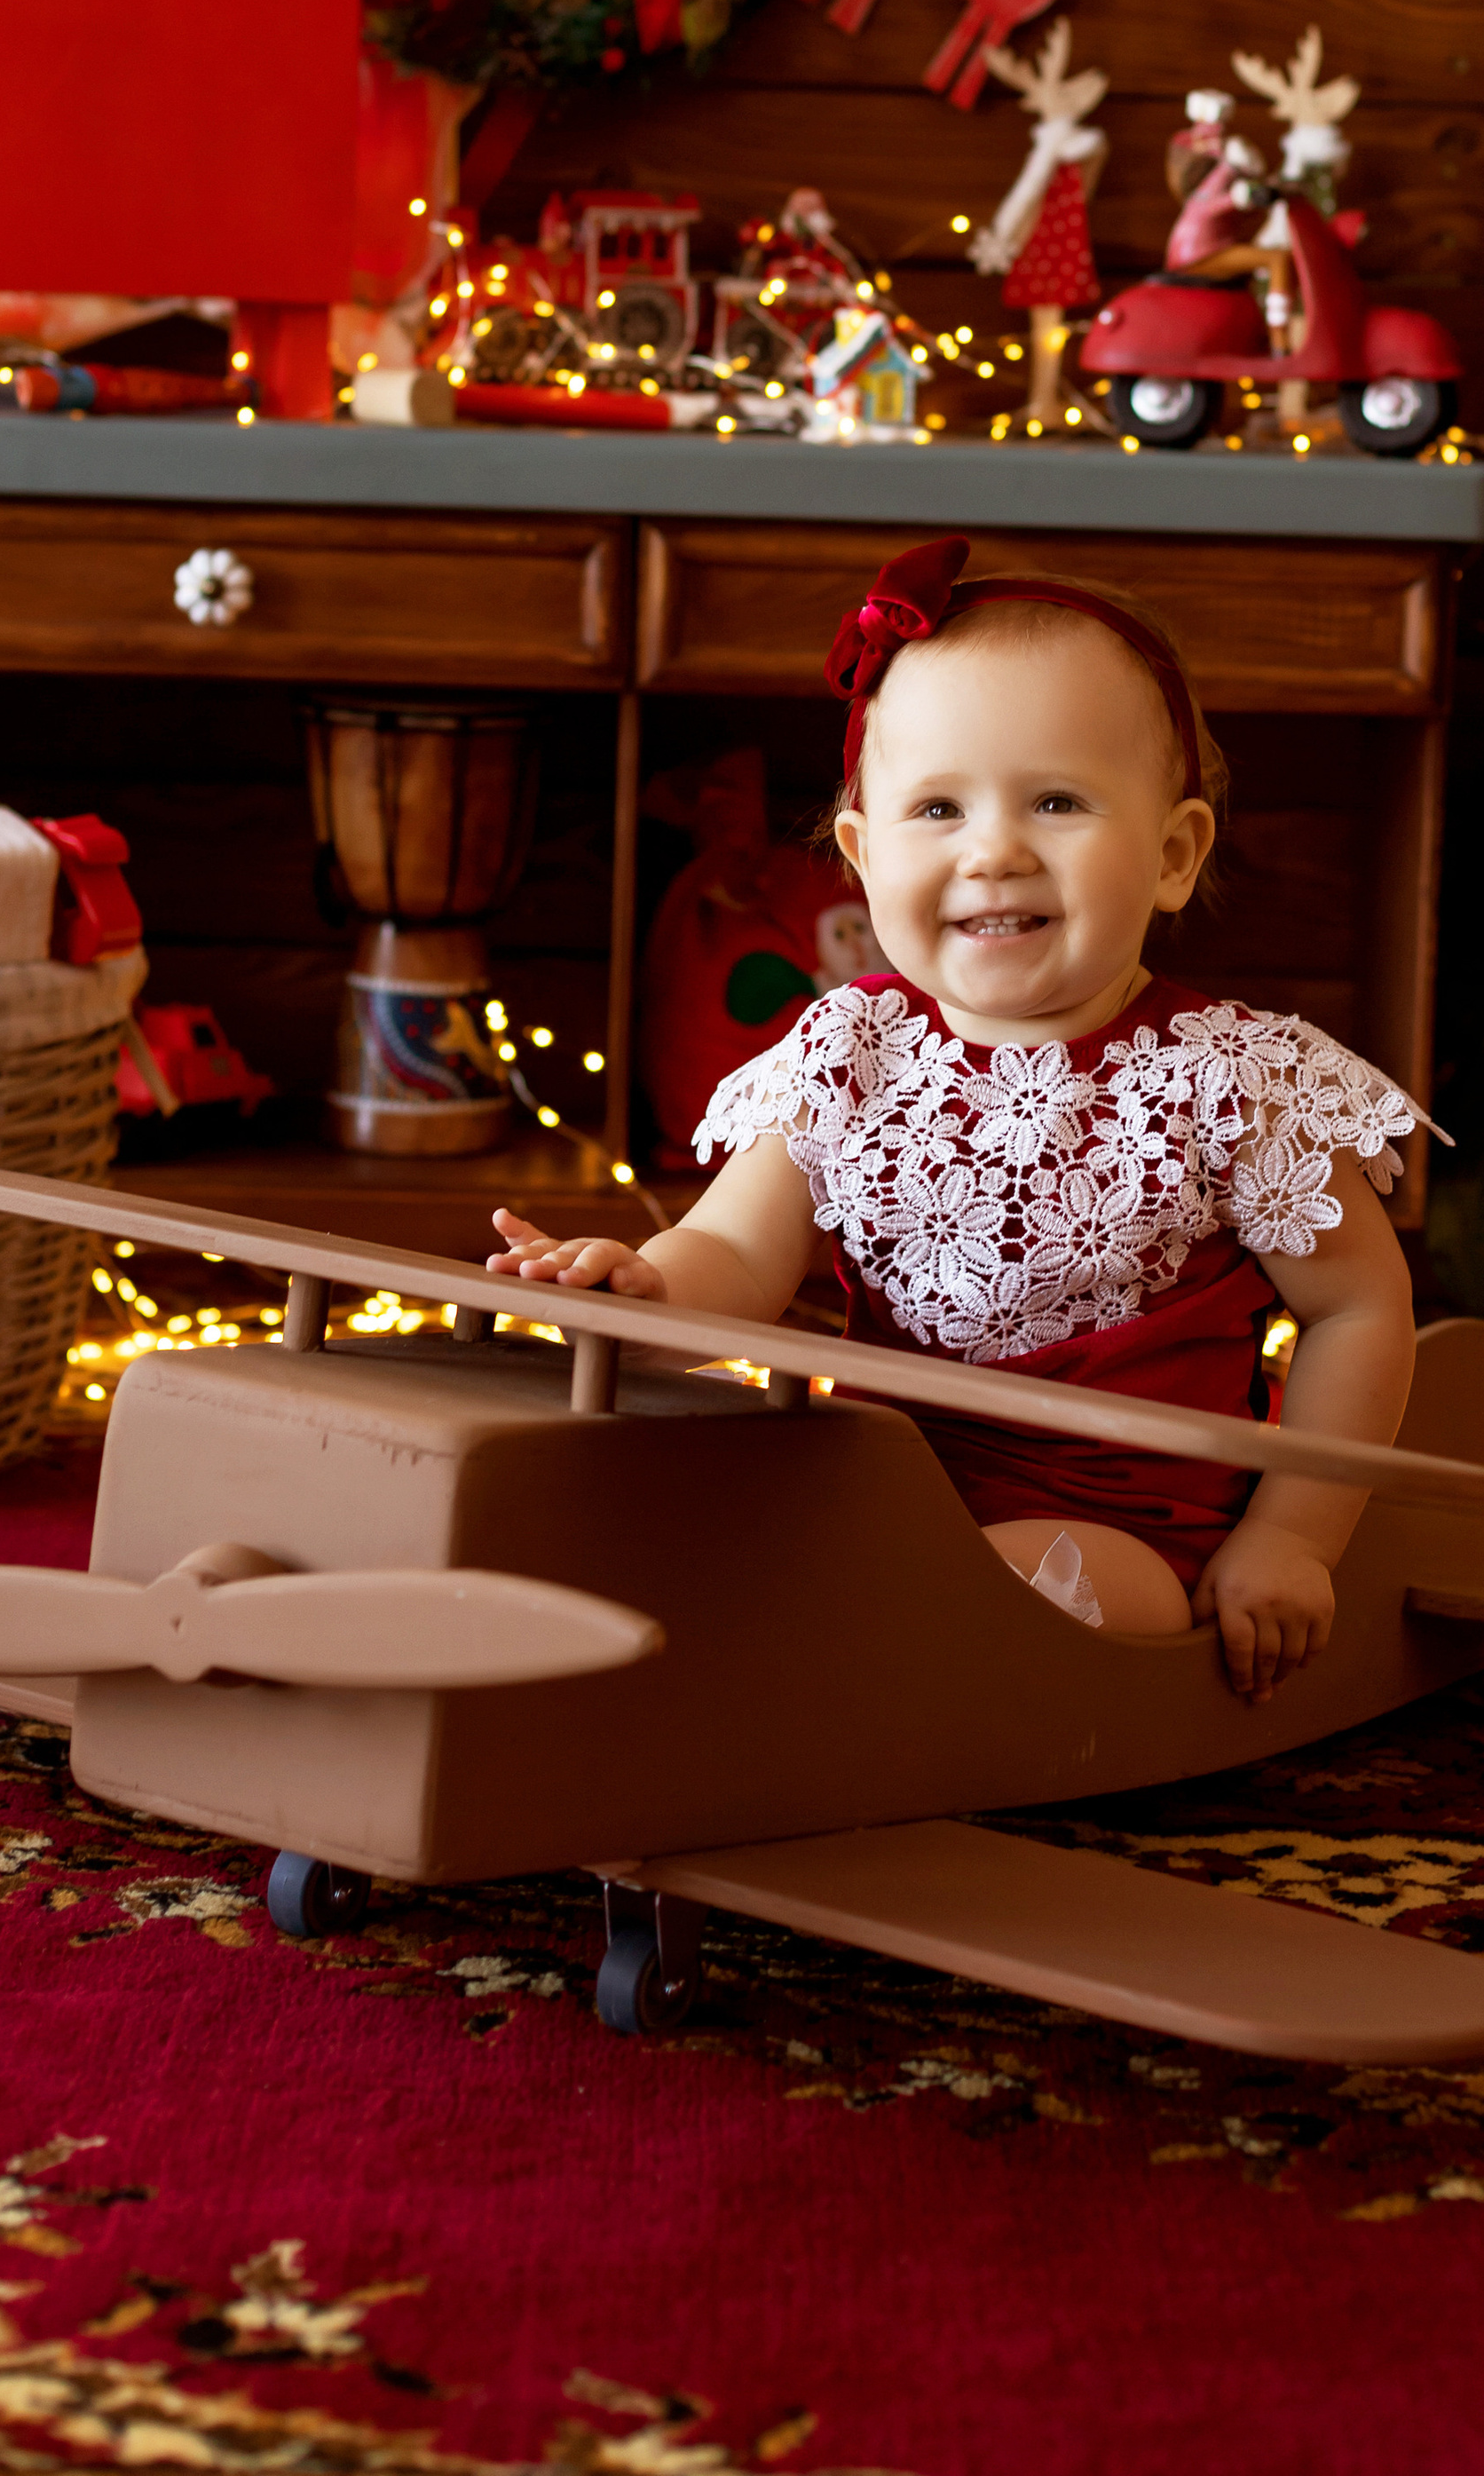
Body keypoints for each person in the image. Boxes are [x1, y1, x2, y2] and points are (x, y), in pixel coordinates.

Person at [487, 537, 1433, 1704]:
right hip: (879, 1492)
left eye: (1057, 800)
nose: (994, 850)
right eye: (938, 808)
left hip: (1127, 1519)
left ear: (1176, 856)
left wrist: (1295, 1537)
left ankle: (864, 1722)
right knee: (684, 1538)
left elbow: (1357, 1307)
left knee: (1011, 1599)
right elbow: (738, 1249)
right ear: (862, 857)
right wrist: (647, 1288)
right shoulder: (854, 1051)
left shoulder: (1225, 1080)